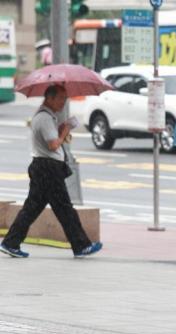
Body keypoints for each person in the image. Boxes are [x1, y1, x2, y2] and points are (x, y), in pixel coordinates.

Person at [0, 85, 102, 259]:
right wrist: (66, 130)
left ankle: (10, 243)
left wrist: (62, 126)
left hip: (42, 167)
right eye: (61, 98)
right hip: (48, 168)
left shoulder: (46, 117)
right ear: (50, 98)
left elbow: (51, 138)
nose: (64, 102)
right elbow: (53, 145)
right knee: (64, 208)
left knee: (32, 208)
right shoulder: (45, 118)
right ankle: (81, 246)